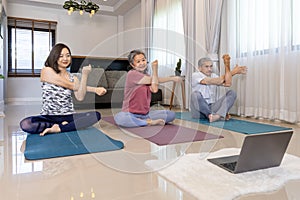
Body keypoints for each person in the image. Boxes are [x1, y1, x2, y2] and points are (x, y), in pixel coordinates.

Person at [19, 43, 107, 136]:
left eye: (68, 55)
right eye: (61, 56)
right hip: (48, 116)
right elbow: (71, 86)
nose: (65, 59)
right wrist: (94, 89)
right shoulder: (47, 71)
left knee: (96, 115)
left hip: (68, 115)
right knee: (26, 124)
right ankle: (65, 126)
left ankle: (59, 128)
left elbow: (80, 97)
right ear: (54, 57)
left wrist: (85, 75)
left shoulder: (74, 78)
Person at [114, 49, 182, 128]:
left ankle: (141, 121)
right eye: (138, 62)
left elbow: (154, 89)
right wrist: (167, 76)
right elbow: (155, 80)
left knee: (171, 114)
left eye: (143, 60)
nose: (142, 63)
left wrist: (168, 76)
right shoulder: (132, 74)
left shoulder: (147, 75)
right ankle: (147, 122)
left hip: (145, 114)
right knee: (120, 118)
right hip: (129, 113)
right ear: (132, 65)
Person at [191, 54, 247, 122]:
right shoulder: (195, 75)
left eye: (211, 66)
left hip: (212, 107)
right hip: (198, 112)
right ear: (200, 68)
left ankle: (217, 116)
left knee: (232, 93)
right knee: (195, 94)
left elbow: (227, 83)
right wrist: (234, 72)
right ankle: (210, 115)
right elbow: (216, 81)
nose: (209, 69)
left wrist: (227, 65)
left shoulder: (213, 75)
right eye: (206, 67)